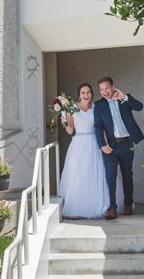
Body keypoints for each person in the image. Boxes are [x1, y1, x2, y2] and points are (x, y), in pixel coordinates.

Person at [94, 76, 144, 220]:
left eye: (106, 88)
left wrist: (125, 97)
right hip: (110, 146)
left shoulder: (124, 98)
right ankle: (112, 208)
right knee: (110, 176)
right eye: (101, 90)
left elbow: (140, 107)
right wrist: (102, 145)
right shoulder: (99, 105)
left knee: (127, 174)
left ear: (113, 86)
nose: (104, 92)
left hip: (126, 144)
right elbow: (98, 127)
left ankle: (128, 204)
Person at [59, 83, 110, 219]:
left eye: (88, 92)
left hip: (94, 142)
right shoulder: (72, 109)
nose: (86, 95)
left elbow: (102, 128)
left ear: (92, 94)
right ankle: (76, 208)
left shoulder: (96, 108)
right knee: (78, 175)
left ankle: (100, 205)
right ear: (79, 95)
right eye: (83, 93)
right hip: (79, 144)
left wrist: (105, 144)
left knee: (96, 173)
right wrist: (63, 119)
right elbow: (70, 130)